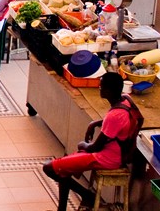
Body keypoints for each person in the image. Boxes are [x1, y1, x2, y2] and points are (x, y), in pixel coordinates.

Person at [43, 72, 141, 211]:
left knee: (49, 167)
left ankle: (87, 195)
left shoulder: (114, 116)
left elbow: (95, 147)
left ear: (109, 91)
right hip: (117, 153)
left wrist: (83, 144)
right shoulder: (126, 100)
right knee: (64, 168)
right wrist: (95, 123)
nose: (99, 89)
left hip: (107, 158)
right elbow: (120, 122)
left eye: (101, 87)